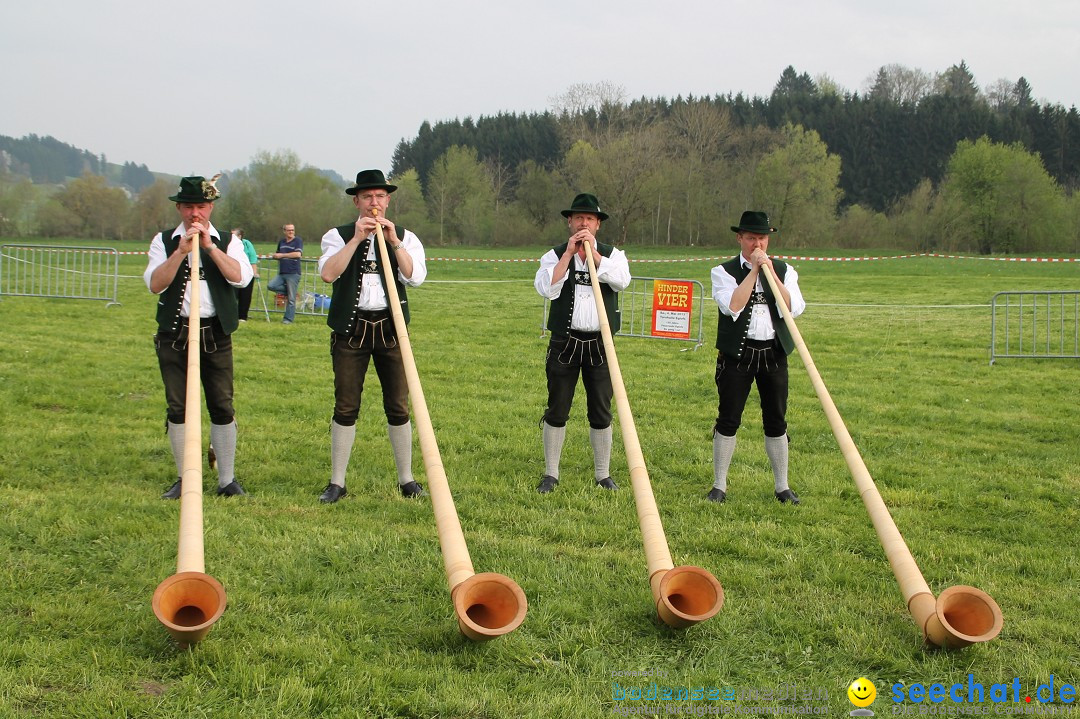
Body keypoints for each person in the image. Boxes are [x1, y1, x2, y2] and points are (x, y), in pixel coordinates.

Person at [316, 169, 428, 504]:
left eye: (379, 197)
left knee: (398, 405)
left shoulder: (405, 236)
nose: (374, 203)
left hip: (391, 331)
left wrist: (393, 241)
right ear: (357, 201)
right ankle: (337, 482)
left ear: (388, 200)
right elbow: (327, 274)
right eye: (367, 197)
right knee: (346, 405)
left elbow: (416, 277)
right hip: (351, 331)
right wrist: (356, 240)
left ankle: (406, 479)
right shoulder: (337, 235)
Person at [144, 176, 253, 499]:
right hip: (174, 333)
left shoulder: (227, 241)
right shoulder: (163, 241)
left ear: (211, 208)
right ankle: (184, 476)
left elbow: (240, 277)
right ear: (179, 207)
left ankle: (227, 480)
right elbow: (155, 284)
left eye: (201, 207)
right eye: (189, 206)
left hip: (215, 332)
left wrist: (209, 248)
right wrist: (179, 253)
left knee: (222, 405)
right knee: (178, 407)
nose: (195, 214)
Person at [534, 193, 631, 494]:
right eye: (578, 218)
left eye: (589, 219)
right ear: (570, 222)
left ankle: (603, 474)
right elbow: (545, 288)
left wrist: (595, 257)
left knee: (601, 408)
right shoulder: (555, 254)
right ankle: (551, 473)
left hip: (601, 345)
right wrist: (567, 255)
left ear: (598, 224)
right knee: (557, 407)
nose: (583, 223)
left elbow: (622, 280)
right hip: (565, 342)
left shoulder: (613, 255)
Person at [707, 211, 806, 505]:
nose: (757, 244)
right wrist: (753, 271)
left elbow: (794, 308)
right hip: (737, 355)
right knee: (728, 419)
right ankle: (719, 486)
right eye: (751, 238)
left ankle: (782, 486)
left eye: (762, 238)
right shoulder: (722, 271)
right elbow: (733, 306)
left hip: (773, 353)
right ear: (740, 239)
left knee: (776, 420)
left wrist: (770, 272)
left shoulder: (785, 271)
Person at [268, 223, 303, 324]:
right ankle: (290, 292)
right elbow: (278, 253)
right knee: (271, 286)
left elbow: (298, 254)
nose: (291, 232)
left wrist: (282, 255)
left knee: (291, 300)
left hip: (293, 272)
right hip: (282, 272)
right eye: (289, 230)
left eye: (292, 230)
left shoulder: (298, 241)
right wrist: (275, 256)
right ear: (284, 231)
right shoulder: (281, 242)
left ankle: (288, 319)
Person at [234, 227, 258, 322]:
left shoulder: (247, 244)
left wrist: (254, 272)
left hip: (247, 272)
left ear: (240, 236)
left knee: (245, 295)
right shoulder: (229, 243)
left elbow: (252, 257)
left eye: (234, 235)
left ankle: (242, 316)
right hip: (233, 271)